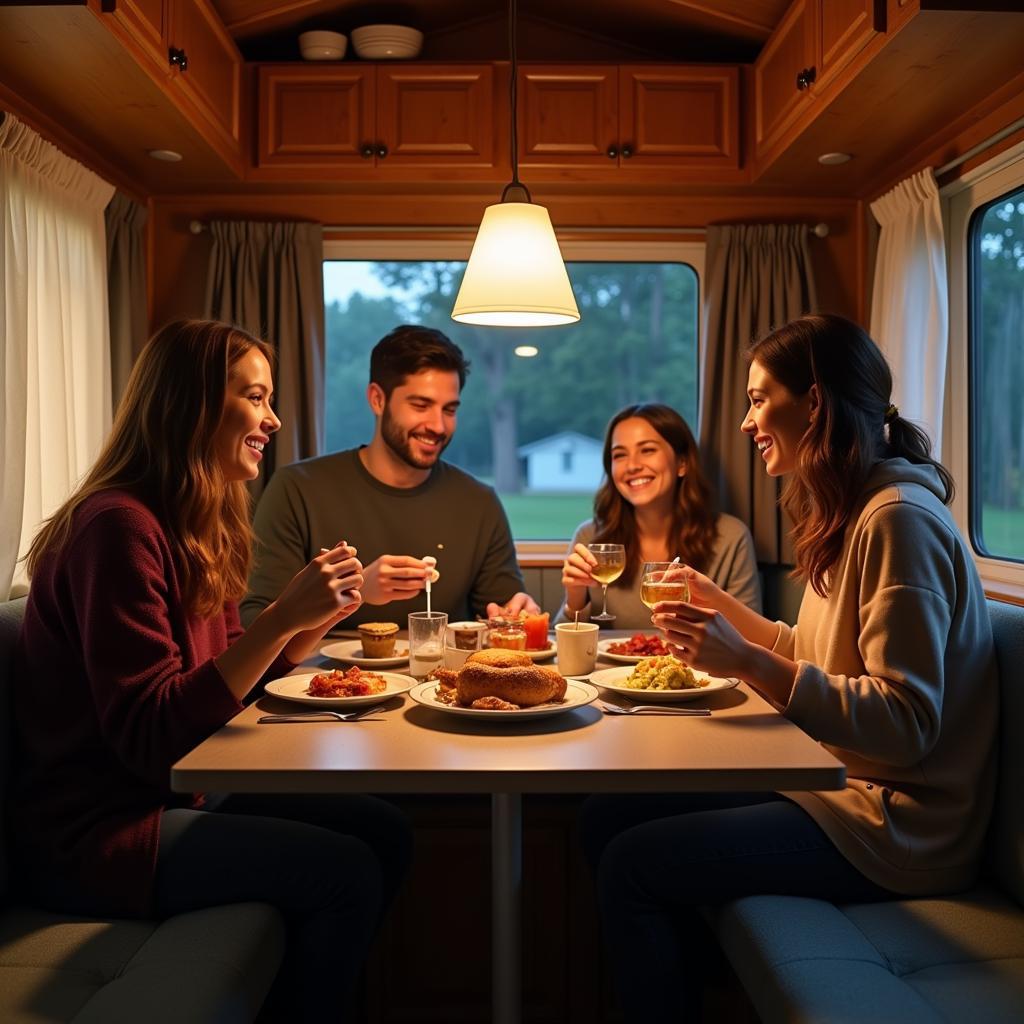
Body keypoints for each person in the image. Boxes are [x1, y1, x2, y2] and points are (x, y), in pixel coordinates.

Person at [581, 314, 998, 1022]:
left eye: (757, 398)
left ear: (814, 402)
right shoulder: (855, 509)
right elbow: (814, 657)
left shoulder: (898, 519)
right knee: (603, 816)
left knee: (631, 863)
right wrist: (724, 609)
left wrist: (742, 659)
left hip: (895, 825)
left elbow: (905, 725)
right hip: (838, 793)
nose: (746, 422)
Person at [12, 320, 412, 1023]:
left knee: (384, 826)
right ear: (192, 404)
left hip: (173, 801)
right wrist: (282, 620)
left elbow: (224, 686)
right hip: (102, 834)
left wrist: (315, 618)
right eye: (255, 397)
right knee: (345, 872)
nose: (273, 419)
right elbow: (153, 738)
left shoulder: (195, 522)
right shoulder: (117, 529)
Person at [242, 324, 539, 629]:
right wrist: (356, 592)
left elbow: (501, 612)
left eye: (449, 410)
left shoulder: (479, 502)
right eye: (420, 405)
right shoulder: (296, 489)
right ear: (377, 399)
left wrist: (515, 615)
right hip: (318, 676)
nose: (437, 425)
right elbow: (254, 623)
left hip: (440, 676)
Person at [556, 403, 761, 629]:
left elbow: (750, 640)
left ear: (682, 463)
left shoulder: (730, 537)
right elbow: (563, 646)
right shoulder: (590, 537)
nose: (632, 466)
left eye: (647, 450)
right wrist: (574, 597)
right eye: (619, 455)